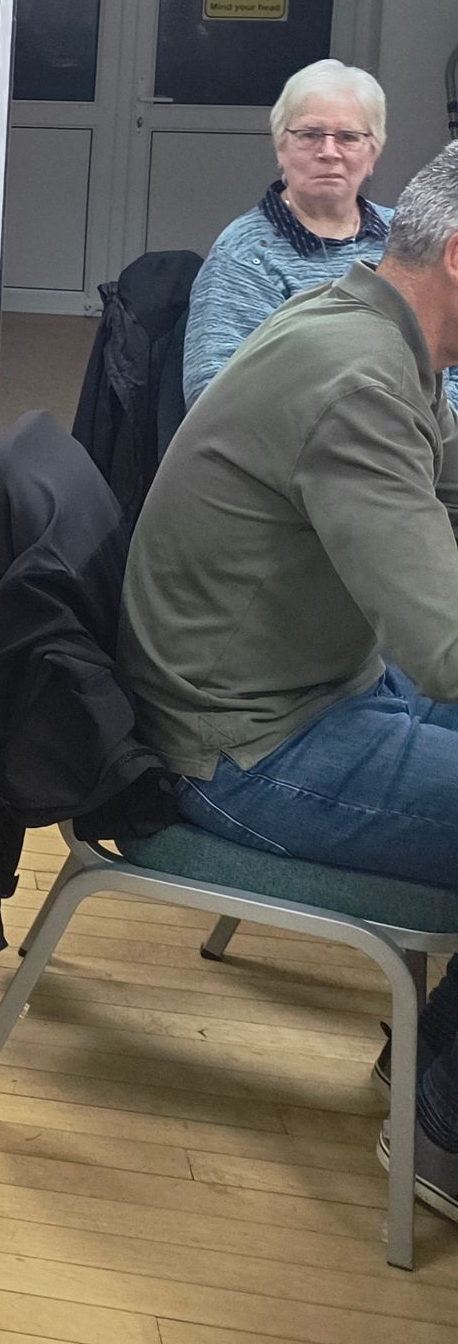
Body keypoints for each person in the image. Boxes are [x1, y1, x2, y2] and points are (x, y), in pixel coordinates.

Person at [121, 143, 458, 1219]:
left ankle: (431, 1076)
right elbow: (445, 648)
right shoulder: (362, 375)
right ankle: (444, 1131)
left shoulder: (357, 314)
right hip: (248, 745)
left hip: (296, 683)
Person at [184, 59, 458, 415]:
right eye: (310, 134)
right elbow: (214, 396)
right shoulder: (244, 254)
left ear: (373, 152)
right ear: (281, 148)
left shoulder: (409, 233)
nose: (329, 152)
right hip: (313, 453)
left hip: (426, 440)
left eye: (348, 137)